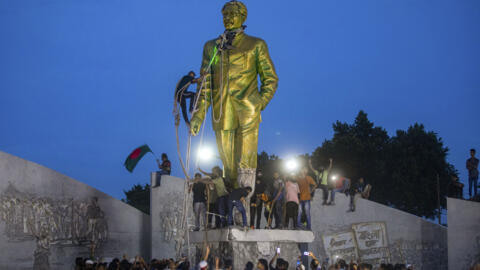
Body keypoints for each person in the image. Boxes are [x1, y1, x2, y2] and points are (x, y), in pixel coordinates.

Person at [190, 1, 279, 227]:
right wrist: (198, 116)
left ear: (243, 16)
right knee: (228, 168)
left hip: (247, 114)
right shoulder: (212, 47)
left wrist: (257, 104)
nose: (228, 17)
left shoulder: (256, 44)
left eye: (233, 13)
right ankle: (228, 216)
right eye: (225, 14)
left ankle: (242, 215)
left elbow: (271, 80)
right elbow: (205, 85)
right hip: (222, 115)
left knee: (245, 165)